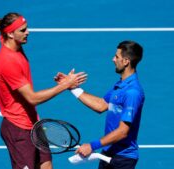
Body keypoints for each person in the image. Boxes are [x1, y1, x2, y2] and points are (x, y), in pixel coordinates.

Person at [0, 12, 86, 169]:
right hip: (18, 129)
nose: (28, 32)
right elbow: (32, 98)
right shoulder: (8, 61)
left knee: (46, 166)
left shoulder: (15, 46)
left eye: (26, 28)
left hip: (33, 122)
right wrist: (66, 85)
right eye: (22, 30)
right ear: (10, 33)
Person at [55, 40, 145, 169]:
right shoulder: (120, 85)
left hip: (123, 158)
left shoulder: (132, 92)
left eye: (117, 56)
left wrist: (92, 146)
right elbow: (101, 105)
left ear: (126, 61)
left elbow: (122, 132)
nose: (113, 59)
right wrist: (72, 88)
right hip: (109, 151)